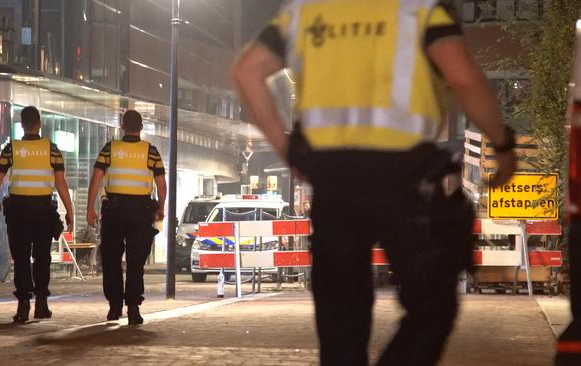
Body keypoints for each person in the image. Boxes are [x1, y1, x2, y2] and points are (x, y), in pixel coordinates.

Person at [232, 1, 517, 365]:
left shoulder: (306, 13)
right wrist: (502, 144)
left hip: (333, 183)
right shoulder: (419, 10)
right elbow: (465, 79)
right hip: (404, 179)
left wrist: (287, 150)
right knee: (433, 303)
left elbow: (246, 72)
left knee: (340, 323)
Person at [0, 106, 74, 323]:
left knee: (22, 258)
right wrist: (70, 211)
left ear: (23, 124)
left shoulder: (12, 149)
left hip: (18, 211)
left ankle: (23, 306)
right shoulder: (51, 149)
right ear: (39, 124)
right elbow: (61, 182)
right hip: (43, 211)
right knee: (42, 258)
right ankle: (42, 305)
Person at [86, 109, 166, 325]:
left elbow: (96, 178)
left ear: (122, 127)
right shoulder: (151, 152)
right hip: (140, 211)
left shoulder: (110, 149)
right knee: (135, 261)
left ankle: (114, 307)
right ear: (141, 128)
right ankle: (133, 308)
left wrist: (90, 209)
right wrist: (161, 208)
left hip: (114, 210)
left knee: (111, 259)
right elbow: (161, 184)